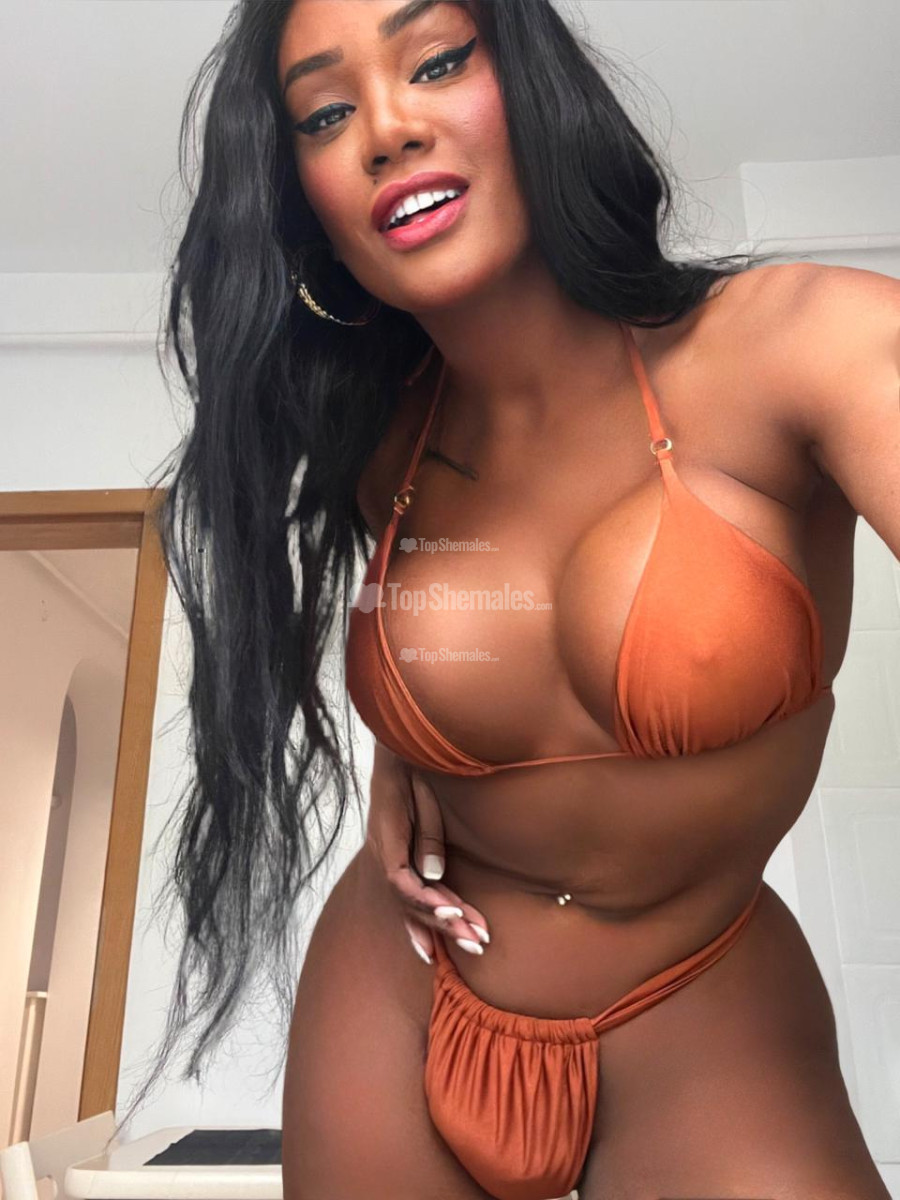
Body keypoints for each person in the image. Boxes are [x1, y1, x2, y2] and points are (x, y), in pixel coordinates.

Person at [117, 1, 900, 1197]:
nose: (386, 127)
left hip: (700, 1006)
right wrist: (406, 750)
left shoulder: (806, 347)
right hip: (403, 990)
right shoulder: (387, 453)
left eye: (436, 61)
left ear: (532, 83)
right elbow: (471, 648)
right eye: (325, 114)